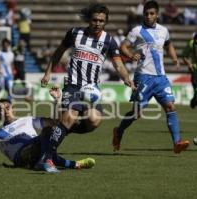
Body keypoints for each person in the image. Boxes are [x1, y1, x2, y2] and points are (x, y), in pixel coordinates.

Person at [39, 3, 135, 171]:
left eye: (101, 21)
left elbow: (118, 65)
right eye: (95, 20)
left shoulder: (109, 41)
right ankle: (47, 159)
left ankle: (59, 130)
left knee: (94, 121)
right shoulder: (75, 33)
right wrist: (48, 72)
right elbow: (59, 52)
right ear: (89, 19)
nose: (97, 23)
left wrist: (127, 78)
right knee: (71, 116)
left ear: (105, 22)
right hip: (73, 85)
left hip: (92, 90)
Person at [112, 0, 189, 154]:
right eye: (146, 13)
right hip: (144, 77)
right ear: (143, 14)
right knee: (137, 112)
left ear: (157, 15)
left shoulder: (163, 31)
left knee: (170, 107)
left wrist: (174, 58)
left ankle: (177, 142)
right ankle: (119, 131)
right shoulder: (136, 31)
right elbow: (123, 47)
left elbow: (168, 45)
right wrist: (130, 54)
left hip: (161, 78)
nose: (148, 16)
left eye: (152, 13)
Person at [0, 88, 95, 173]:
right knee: (47, 137)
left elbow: (55, 122)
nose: (5, 110)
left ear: (13, 108)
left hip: (37, 148)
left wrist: (56, 101)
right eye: (1, 109)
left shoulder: (28, 120)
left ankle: (75, 164)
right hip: (22, 156)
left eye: (7, 107)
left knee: (50, 134)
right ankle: (51, 162)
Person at [0, 38, 14, 102]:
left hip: (9, 74)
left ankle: (10, 102)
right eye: (4, 44)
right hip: (1, 73)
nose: (5, 46)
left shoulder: (11, 54)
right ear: (2, 45)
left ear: (9, 45)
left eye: (7, 44)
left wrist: (12, 73)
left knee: (9, 88)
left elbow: (11, 64)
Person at [182, 33, 197, 108]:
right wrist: (189, 64)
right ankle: (194, 100)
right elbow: (184, 56)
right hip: (195, 68)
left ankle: (194, 100)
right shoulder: (191, 43)